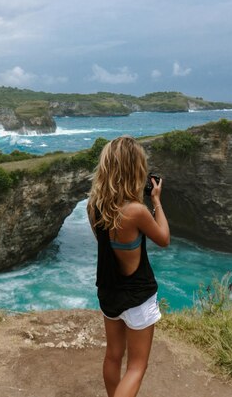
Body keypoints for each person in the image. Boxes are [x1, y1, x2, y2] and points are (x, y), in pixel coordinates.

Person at [87, 136, 170, 397]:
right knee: (136, 366)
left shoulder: (95, 206)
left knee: (113, 356)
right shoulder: (136, 211)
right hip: (137, 295)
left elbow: (103, 242)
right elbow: (163, 239)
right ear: (135, 169)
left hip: (109, 292)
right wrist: (155, 200)